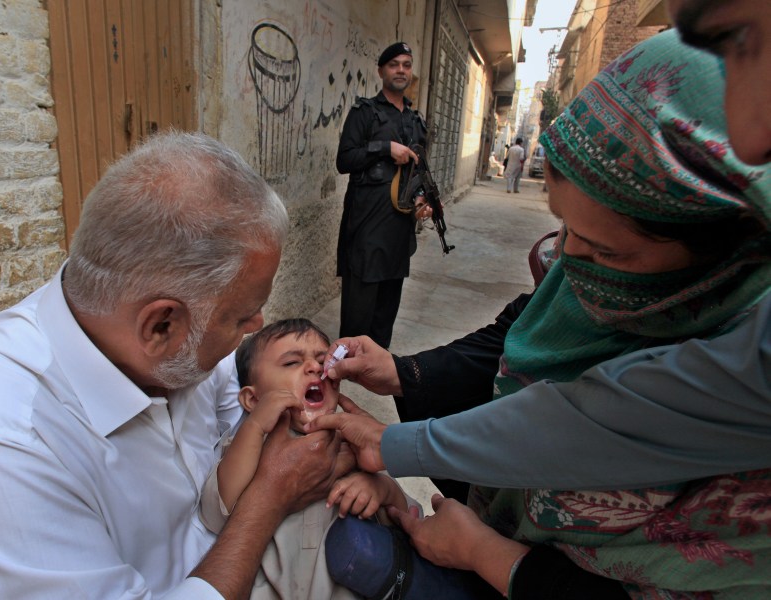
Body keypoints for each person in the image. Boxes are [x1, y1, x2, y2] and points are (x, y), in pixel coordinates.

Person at [311, 29, 771, 597]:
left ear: (730, 247)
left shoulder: (746, 374)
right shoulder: (581, 275)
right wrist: (402, 374)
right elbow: (513, 335)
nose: (568, 263)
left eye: (606, 250)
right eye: (564, 229)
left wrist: (487, 553)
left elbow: (591, 423)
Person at [0, 131, 350, 599]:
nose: (256, 324)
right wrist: (268, 500)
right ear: (160, 326)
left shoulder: (166, 342)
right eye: (241, 317)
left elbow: (233, 401)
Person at [199, 318, 419, 600]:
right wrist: (254, 427)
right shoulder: (249, 449)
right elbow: (215, 513)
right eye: (291, 363)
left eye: (322, 360)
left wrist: (383, 490)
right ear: (253, 400)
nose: (315, 367)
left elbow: (409, 520)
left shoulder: (352, 446)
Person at [335, 41, 431, 349]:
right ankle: (346, 366)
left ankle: (375, 362)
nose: (401, 70)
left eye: (406, 64)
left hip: (399, 230)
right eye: (394, 65)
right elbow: (344, 160)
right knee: (358, 308)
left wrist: (420, 200)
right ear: (381, 71)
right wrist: (385, 149)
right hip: (367, 226)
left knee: (387, 308)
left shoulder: (416, 122)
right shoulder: (365, 113)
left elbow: (419, 172)